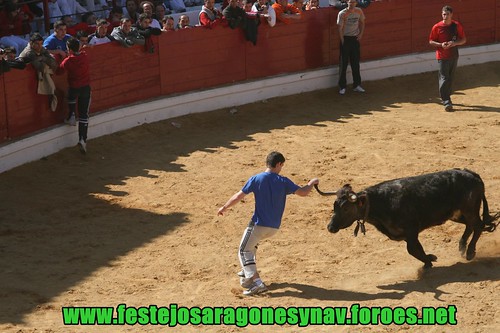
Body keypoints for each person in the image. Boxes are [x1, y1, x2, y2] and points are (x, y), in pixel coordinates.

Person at [217, 151, 319, 296]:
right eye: (282, 165)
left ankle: (256, 282)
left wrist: (224, 207)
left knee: (243, 250)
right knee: (251, 247)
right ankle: (247, 276)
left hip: (259, 225)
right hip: (273, 228)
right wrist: (311, 183)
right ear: (278, 164)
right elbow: (303, 192)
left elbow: (239, 196)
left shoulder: (256, 179)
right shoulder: (283, 181)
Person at [56, 38, 91, 154]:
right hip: (85, 87)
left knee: (70, 96)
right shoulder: (84, 56)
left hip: (74, 87)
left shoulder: (68, 61)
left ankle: (71, 114)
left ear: (69, 49)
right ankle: (82, 139)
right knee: (83, 115)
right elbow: (82, 51)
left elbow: (59, 71)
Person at [428, 5, 466, 112]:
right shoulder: (437, 27)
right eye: (443, 14)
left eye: (447, 14)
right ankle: (446, 101)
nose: (445, 16)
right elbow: (431, 41)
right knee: (444, 78)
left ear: (451, 15)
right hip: (442, 56)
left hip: (454, 55)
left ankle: (447, 97)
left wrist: (454, 43)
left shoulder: (456, 25)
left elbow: (463, 40)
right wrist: (441, 45)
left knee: (450, 78)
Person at [337, 0, 365, 95]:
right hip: (345, 39)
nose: (351, 3)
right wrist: (342, 41)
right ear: (347, 2)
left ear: (356, 3)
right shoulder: (342, 13)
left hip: (355, 39)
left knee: (355, 63)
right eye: (350, 2)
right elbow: (339, 29)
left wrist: (360, 34)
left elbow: (362, 22)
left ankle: (357, 85)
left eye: (353, 2)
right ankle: (342, 86)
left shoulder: (359, 11)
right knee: (343, 64)